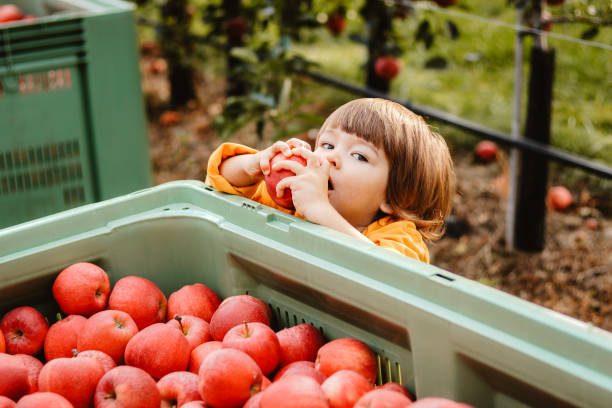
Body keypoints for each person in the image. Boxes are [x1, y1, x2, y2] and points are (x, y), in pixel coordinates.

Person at [206, 98, 455, 262]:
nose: (332, 157)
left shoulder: (399, 237)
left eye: (359, 155)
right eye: (327, 144)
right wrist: (252, 166)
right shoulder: (292, 204)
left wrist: (320, 211)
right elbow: (221, 184)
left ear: (394, 198)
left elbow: (389, 277)